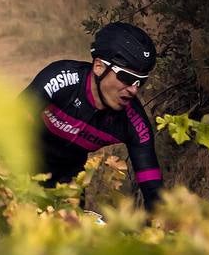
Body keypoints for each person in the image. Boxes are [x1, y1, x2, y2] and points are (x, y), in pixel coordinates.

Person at [19, 22, 165, 212]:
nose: (133, 90)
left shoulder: (133, 122)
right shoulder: (61, 79)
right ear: (98, 66)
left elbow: (154, 191)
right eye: (127, 78)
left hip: (69, 182)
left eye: (140, 82)